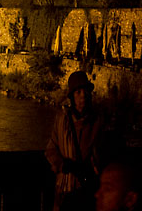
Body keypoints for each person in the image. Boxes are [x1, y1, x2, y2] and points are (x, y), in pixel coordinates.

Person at [46, 70, 106, 211]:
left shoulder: (97, 122)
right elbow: (51, 148)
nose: (82, 96)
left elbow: (100, 156)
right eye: (78, 92)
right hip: (63, 190)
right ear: (72, 97)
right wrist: (62, 165)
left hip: (84, 191)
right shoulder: (62, 120)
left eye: (84, 92)